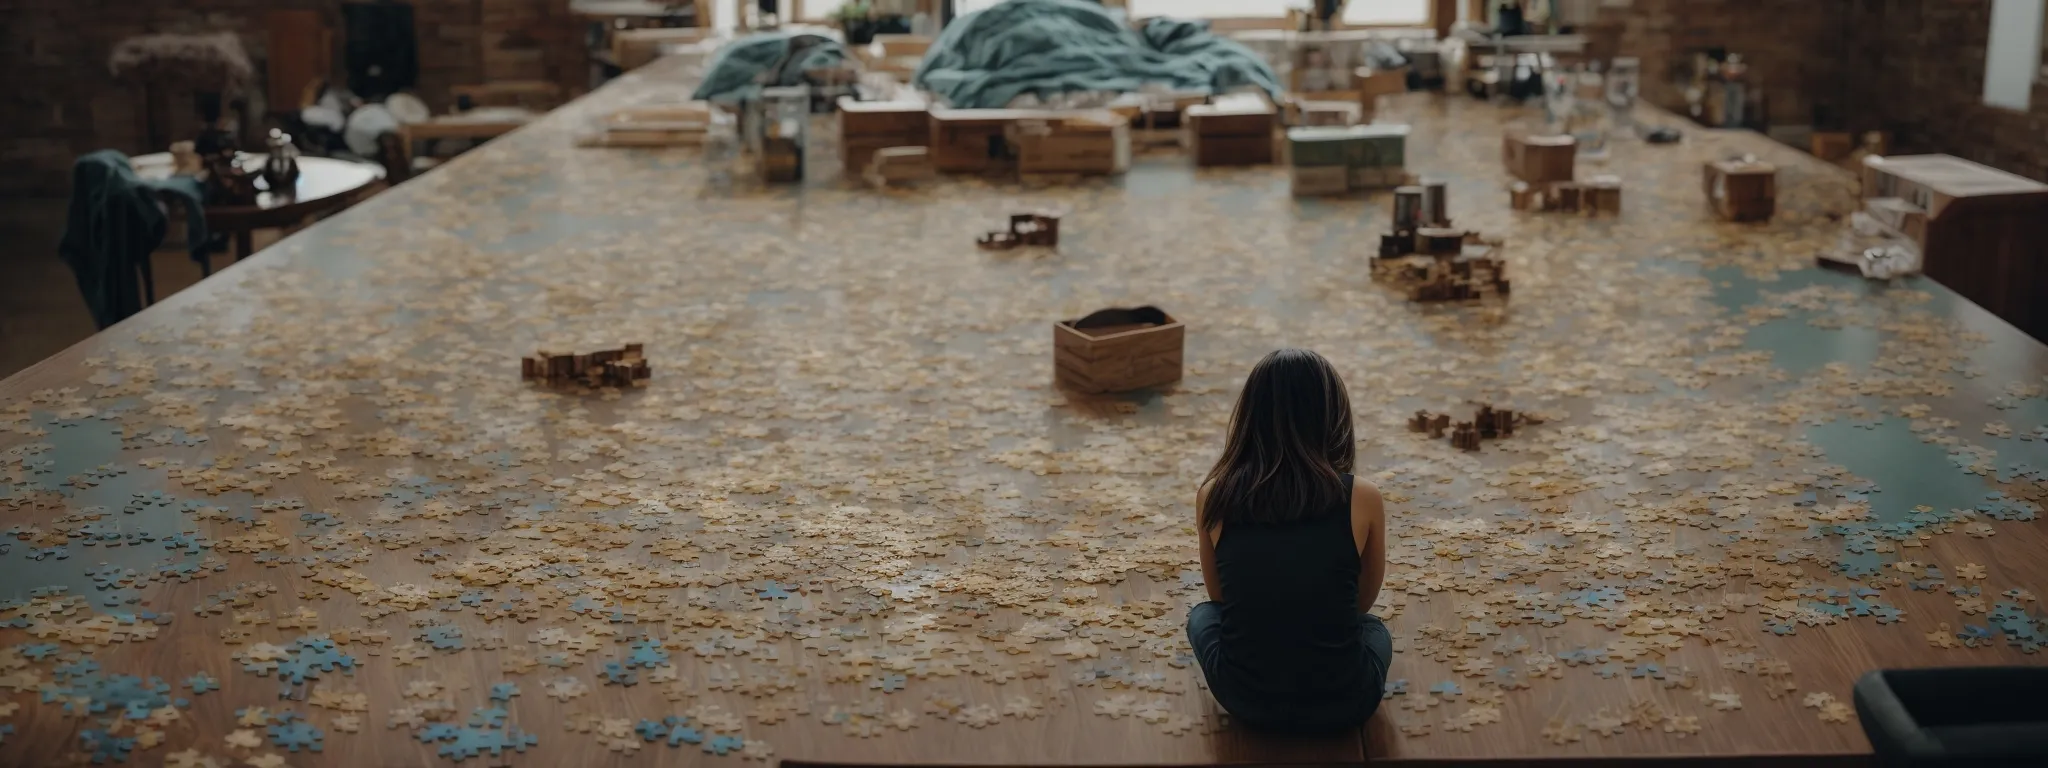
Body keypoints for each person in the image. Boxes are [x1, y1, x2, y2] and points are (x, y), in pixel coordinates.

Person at [1187, 348, 1391, 732]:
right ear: (1333, 415)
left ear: (1249, 416)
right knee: (1374, 628)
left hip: (1246, 699)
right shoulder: (1363, 496)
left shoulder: (1213, 494)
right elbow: (1361, 601)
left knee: (1201, 615)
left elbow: (1220, 599)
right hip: (1348, 700)